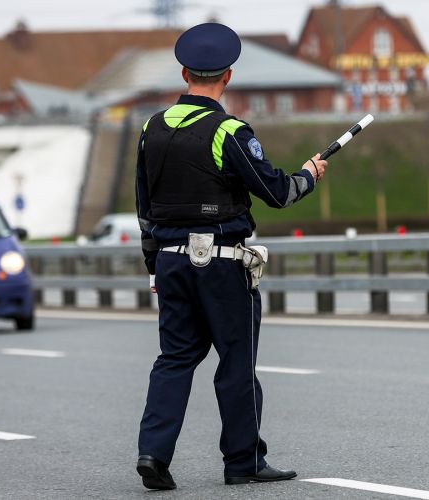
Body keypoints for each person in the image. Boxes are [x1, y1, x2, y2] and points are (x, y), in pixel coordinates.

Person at [135, 22, 328, 490]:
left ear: (184, 73)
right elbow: (275, 192)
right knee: (236, 362)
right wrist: (307, 175)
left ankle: (153, 454)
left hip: (171, 261)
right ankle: (243, 461)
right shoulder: (229, 131)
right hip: (222, 264)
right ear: (228, 76)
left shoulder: (152, 128)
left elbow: (144, 205)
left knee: (175, 359)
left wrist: (155, 265)